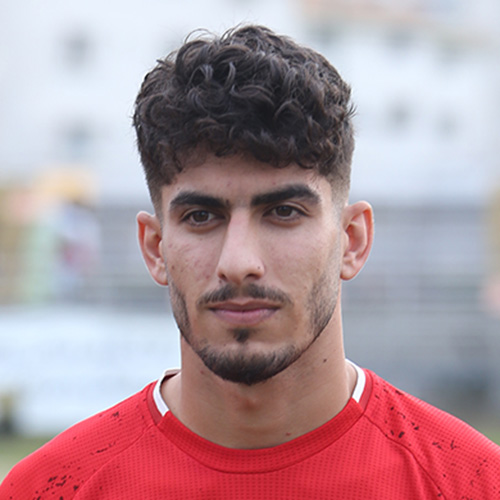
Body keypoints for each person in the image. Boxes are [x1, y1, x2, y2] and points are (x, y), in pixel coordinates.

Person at [1, 24, 499, 499]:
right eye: (201, 217)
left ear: (352, 240)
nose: (239, 263)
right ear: (155, 248)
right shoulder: (46, 490)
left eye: (283, 212)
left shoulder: (475, 484)